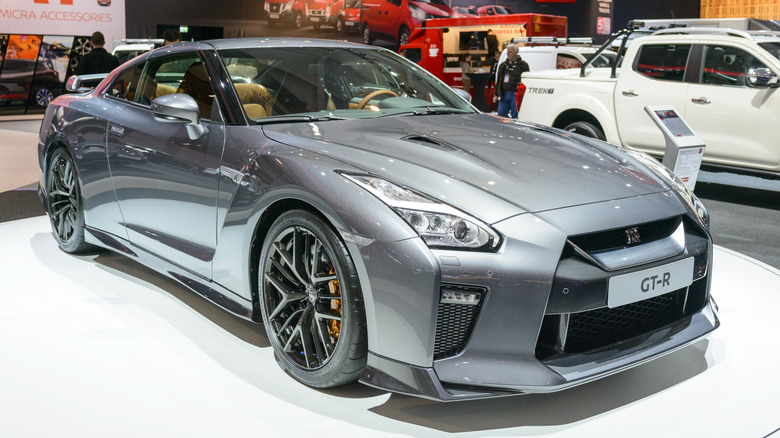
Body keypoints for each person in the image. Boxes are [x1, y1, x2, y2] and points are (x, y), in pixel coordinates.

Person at [493, 44, 529, 118]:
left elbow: (526, 80)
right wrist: (496, 94)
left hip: (515, 95)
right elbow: (499, 80)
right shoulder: (503, 65)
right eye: (507, 52)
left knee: (515, 116)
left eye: (510, 52)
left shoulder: (522, 65)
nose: (508, 54)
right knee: (501, 117)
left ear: (516, 53)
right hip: (504, 95)